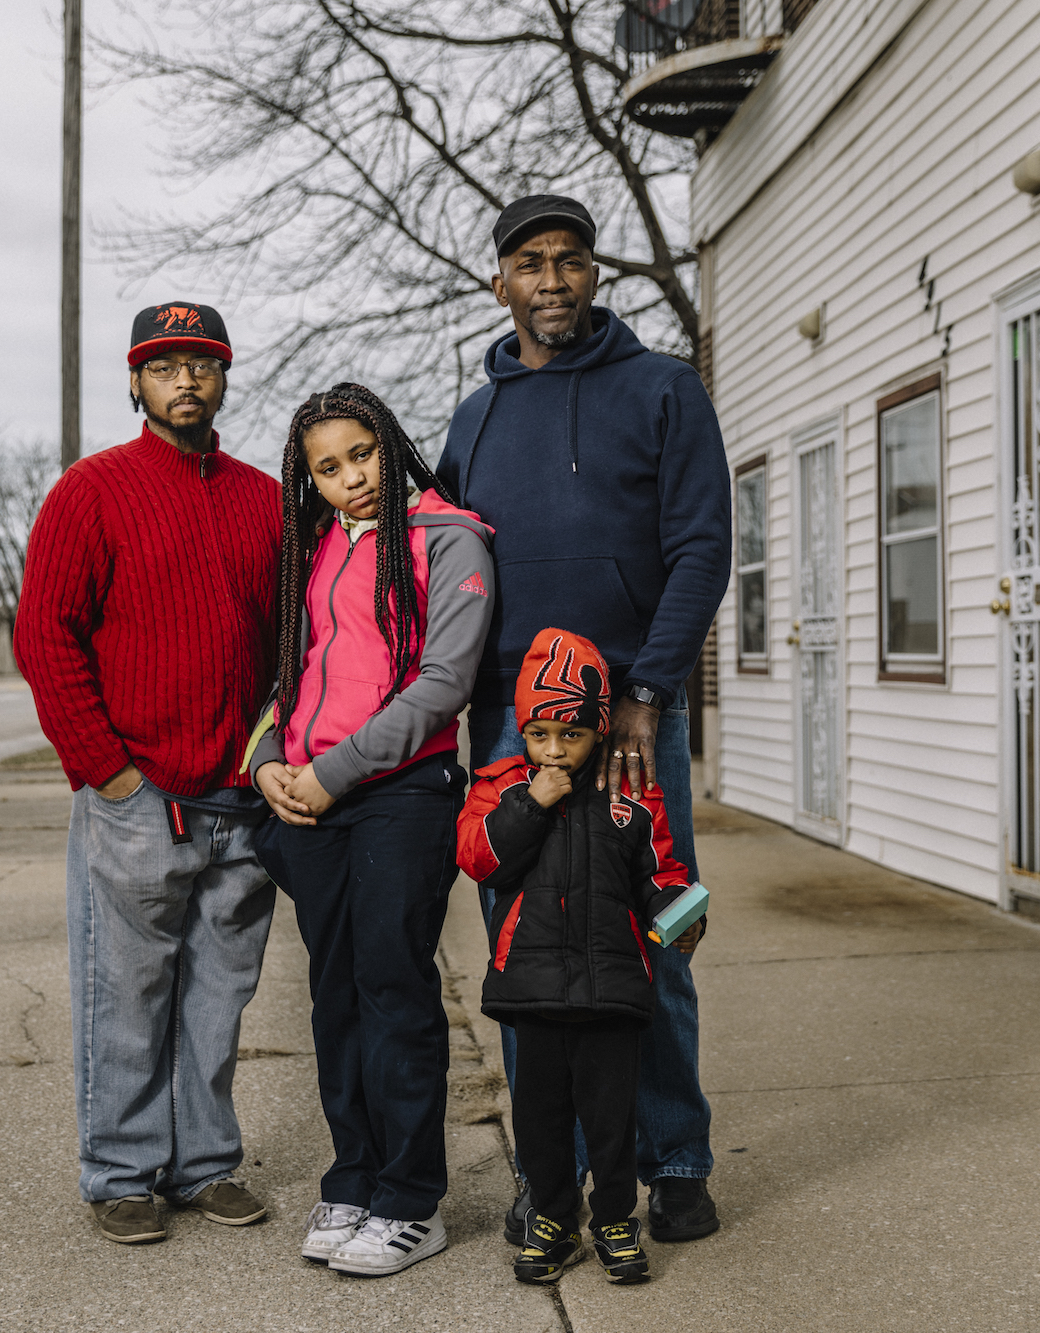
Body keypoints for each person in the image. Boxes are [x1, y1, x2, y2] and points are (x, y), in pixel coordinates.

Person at [434, 194, 732, 1243]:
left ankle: (674, 1157)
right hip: (508, 723)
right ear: (498, 282)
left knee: (650, 927)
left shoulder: (661, 390)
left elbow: (700, 547)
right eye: (528, 262)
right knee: (524, 951)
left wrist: (647, 690)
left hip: (629, 714)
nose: (550, 279)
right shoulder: (472, 419)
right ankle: (549, 1178)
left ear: (591, 274)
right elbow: (438, 566)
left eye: (567, 260)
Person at [15, 302, 281, 1246]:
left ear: (223, 378)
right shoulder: (90, 492)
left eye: (202, 364)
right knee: (126, 994)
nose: (185, 381)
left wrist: (272, 759)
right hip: (140, 797)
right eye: (164, 366)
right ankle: (121, 1171)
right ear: (136, 382)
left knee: (218, 996)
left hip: (240, 802)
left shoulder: (264, 498)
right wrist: (108, 772)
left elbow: (293, 642)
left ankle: (204, 1163)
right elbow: (45, 636)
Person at [248, 383, 496, 1277]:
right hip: (312, 801)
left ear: (392, 446)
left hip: (400, 795)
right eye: (328, 467)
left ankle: (409, 1201)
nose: (351, 478)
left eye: (363, 454)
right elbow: (297, 668)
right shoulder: (319, 550)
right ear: (307, 480)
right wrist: (269, 755)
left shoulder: (449, 539)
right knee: (336, 992)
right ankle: (352, 1179)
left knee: (394, 987)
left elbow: (442, 685)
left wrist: (331, 771)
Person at [458, 628, 696, 1286]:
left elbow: (661, 868)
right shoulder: (501, 786)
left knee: (611, 1113)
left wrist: (678, 909)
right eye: (539, 733)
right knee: (540, 1118)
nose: (555, 750)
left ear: (599, 731)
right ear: (522, 732)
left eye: (572, 734)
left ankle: (616, 1218)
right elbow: (479, 857)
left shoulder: (630, 793)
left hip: (610, 987)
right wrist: (532, 805)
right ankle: (553, 1220)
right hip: (531, 988)